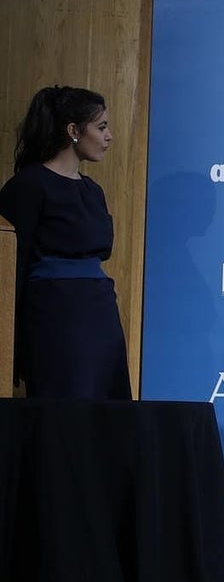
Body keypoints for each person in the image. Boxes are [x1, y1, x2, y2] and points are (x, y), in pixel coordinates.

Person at [0, 85, 130, 399]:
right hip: (55, 314)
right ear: (73, 131)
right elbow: (11, 267)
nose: (109, 136)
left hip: (100, 310)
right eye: (101, 127)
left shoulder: (92, 190)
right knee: (65, 411)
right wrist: (11, 345)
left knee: (106, 412)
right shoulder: (28, 186)